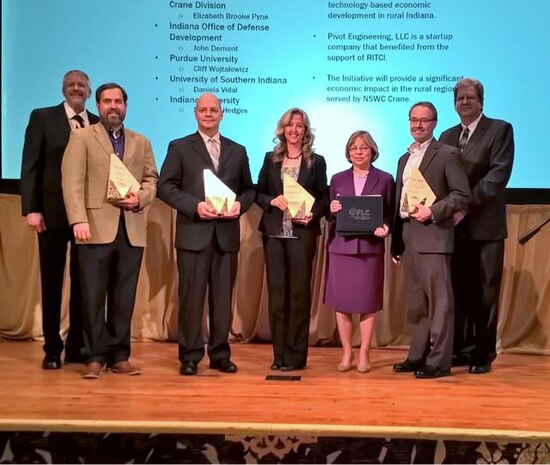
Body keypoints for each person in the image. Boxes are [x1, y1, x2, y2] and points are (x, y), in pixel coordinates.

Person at [61, 83, 158, 379]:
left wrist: (140, 198)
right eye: (107, 101)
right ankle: (94, 356)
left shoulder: (141, 141)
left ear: (126, 106)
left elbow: (151, 178)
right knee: (92, 296)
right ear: (98, 105)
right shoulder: (81, 137)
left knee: (123, 296)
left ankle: (119, 355)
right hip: (93, 228)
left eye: (118, 101)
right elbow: (72, 181)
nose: (112, 106)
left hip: (131, 229)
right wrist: (78, 219)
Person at [158, 93, 255, 376]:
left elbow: (249, 190)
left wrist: (241, 204)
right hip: (193, 235)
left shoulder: (238, 150)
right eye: (203, 110)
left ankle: (220, 355)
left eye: (214, 110)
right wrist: (195, 206)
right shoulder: (179, 147)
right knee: (191, 299)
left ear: (222, 114)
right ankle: (189, 356)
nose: (209, 114)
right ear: (195, 113)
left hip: (225, 238)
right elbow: (166, 187)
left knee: (223, 301)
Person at [20, 70, 99, 369]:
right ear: (63, 89)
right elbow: (30, 164)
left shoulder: (97, 122)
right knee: (52, 282)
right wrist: (32, 208)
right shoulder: (42, 117)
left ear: (89, 92)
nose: (76, 89)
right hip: (50, 216)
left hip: (87, 218)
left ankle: (78, 346)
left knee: (84, 283)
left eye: (82, 85)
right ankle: (52, 349)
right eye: (71, 85)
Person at [439, 78, 514, 374]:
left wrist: (462, 207)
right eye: (460, 98)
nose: (465, 102)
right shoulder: (445, 135)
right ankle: (460, 349)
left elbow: (497, 176)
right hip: (453, 229)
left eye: (471, 97)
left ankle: (483, 353)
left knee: (485, 293)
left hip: (485, 228)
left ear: (481, 101)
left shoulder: (500, 130)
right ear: (454, 104)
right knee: (458, 290)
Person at [391, 101, 470, 379]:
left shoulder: (448, 154)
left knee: (439, 303)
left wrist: (433, 211)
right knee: (416, 304)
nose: (418, 125)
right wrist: (396, 242)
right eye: (413, 120)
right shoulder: (403, 158)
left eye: (424, 120)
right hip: (408, 235)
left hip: (435, 235)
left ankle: (439, 361)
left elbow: (461, 196)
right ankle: (417, 355)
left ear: (434, 123)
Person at [256, 108, 328, 372]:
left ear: (305, 131)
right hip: (275, 234)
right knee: (277, 297)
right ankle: (279, 356)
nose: (294, 129)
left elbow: (323, 198)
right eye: (290, 125)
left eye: (299, 125)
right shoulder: (270, 159)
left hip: (302, 235)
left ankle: (296, 357)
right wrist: (271, 200)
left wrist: (313, 215)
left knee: (298, 296)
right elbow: (258, 192)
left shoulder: (316, 162)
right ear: (282, 129)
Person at [324, 130, 395, 373]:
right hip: (341, 249)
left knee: (367, 303)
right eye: (354, 148)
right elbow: (330, 215)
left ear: (372, 151)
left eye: (363, 148)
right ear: (348, 152)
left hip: (369, 249)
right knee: (341, 304)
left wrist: (386, 227)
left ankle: (364, 353)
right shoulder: (337, 179)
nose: (358, 152)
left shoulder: (385, 179)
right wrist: (331, 209)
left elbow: (390, 214)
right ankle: (347, 353)